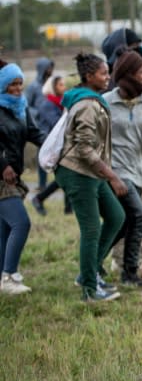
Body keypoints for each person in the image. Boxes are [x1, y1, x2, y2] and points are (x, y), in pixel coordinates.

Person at [55, 53, 126, 302]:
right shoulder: (86, 104)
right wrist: (113, 177)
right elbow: (83, 149)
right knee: (91, 228)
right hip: (77, 172)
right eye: (103, 73)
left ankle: (88, 273)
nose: (108, 77)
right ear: (88, 76)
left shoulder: (92, 100)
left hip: (91, 171)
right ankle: (89, 290)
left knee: (116, 216)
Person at [104, 50, 142, 286]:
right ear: (127, 75)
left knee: (123, 221)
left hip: (138, 170)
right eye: (141, 73)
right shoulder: (107, 102)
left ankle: (95, 263)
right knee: (138, 216)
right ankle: (129, 270)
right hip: (116, 172)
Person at [0, 61, 46, 294]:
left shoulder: (21, 107)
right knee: (21, 222)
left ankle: (3, 276)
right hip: (2, 176)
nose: (18, 89)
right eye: (12, 85)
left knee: (6, 228)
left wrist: (54, 144)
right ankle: (9, 277)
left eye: (20, 83)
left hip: (13, 176)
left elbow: (34, 132)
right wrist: (4, 164)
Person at [29, 73, 68, 216]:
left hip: (60, 144)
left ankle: (67, 208)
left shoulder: (60, 103)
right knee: (64, 176)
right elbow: (56, 123)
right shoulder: (47, 104)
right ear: (53, 87)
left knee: (66, 175)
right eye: (61, 84)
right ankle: (39, 198)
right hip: (50, 145)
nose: (64, 87)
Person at [24, 57, 54, 192]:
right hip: (40, 126)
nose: (50, 71)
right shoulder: (33, 87)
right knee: (42, 156)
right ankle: (42, 184)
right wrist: (40, 113)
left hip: (53, 125)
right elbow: (26, 106)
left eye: (51, 68)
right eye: (48, 68)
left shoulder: (53, 85)